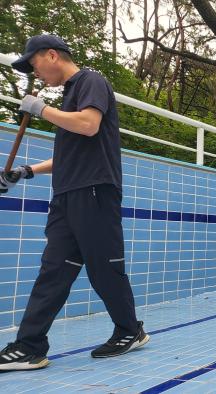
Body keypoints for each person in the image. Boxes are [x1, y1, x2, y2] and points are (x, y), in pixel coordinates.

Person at [0, 35, 148, 371]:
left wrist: (41, 109)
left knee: (104, 268)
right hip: (67, 194)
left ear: (51, 55)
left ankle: (130, 330)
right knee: (53, 270)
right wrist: (25, 171)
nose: (36, 74)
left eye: (34, 64)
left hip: (94, 190)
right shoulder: (68, 97)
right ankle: (29, 345)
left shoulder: (90, 80)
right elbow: (67, 153)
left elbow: (89, 125)